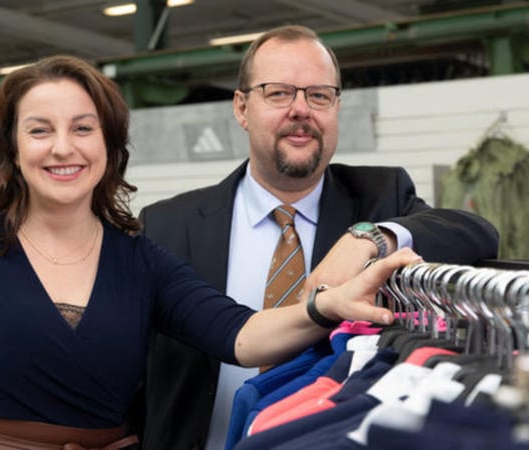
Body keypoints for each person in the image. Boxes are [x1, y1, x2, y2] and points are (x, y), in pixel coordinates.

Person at [0, 54, 422, 450]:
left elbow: (240, 334)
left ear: (109, 147)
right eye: (40, 130)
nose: (63, 147)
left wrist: (324, 306)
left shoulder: (141, 260)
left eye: (83, 128)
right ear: (14, 149)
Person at [137, 24, 500, 450]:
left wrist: (370, 237)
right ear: (241, 108)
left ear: (336, 108)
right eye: (279, 93)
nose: (301, 109)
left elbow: (476, 232)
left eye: (319, 95)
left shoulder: (381, 197)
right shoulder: (167, 225)